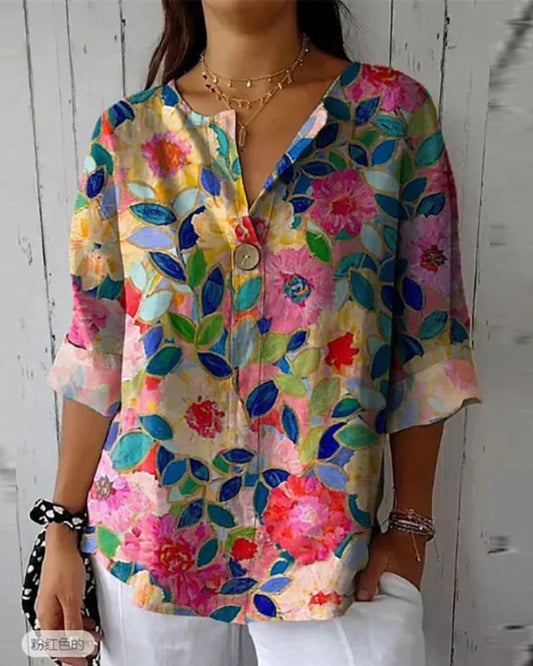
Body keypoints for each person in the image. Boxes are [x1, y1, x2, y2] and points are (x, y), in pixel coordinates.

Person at [33, 0, 483, 665]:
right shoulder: (128, 135)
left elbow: (428, 340)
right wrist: (63, 533)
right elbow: (96, 348)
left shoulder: (390, 118)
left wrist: (411, 526)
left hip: (337, 548)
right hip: (150, 539)